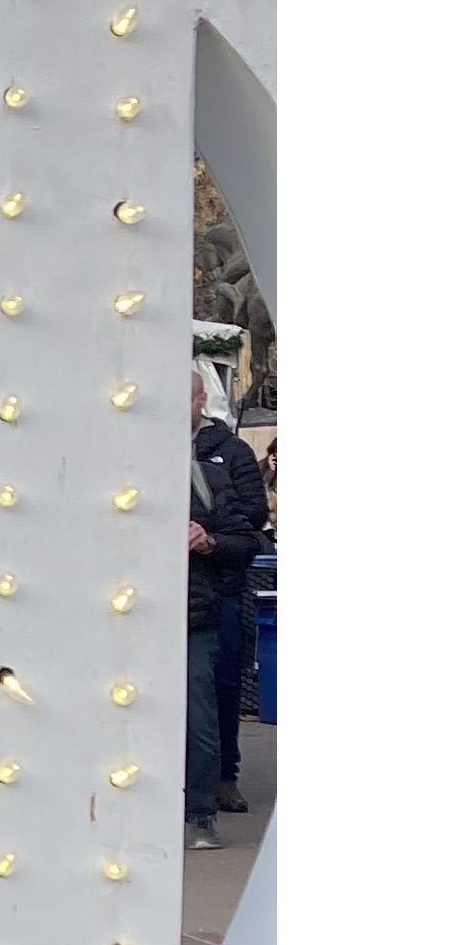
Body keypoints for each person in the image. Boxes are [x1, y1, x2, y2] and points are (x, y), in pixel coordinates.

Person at [185, 364, 269, 851]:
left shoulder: (228, 454)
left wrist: (210, 539)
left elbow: (249, 525)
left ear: (201, 401)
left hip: (213, 596)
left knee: (215, 691)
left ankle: (213, 793)